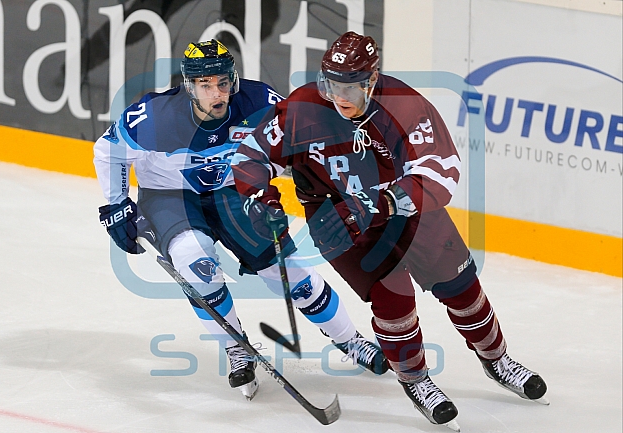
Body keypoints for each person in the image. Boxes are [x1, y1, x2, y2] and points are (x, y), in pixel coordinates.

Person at [232, 32, 548, 429]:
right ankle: (416, 380)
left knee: (462, 288)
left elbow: (441, 171)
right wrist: (262, 201)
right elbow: (252, 156)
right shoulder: (303, 107)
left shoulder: (405, 106)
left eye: (349, 86)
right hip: (337, 220)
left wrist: (376, 203)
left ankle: (497, 360)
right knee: (394, 300)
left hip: (407, 212)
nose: (338, 95)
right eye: (330, 83)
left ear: (371, 78)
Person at [93, 39, 387, 401]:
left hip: (235, 192)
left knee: (290, 274)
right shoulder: (154, 116)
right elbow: (108, 151)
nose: (218, 93)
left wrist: (269, 196)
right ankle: (237, 349)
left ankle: (349, 340)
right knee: (195, 264)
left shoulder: (262, 103)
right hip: (171, 198)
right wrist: (116, 205)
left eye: (223, 82)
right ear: (189, 86)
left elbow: (291, 149)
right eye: (206, 85)